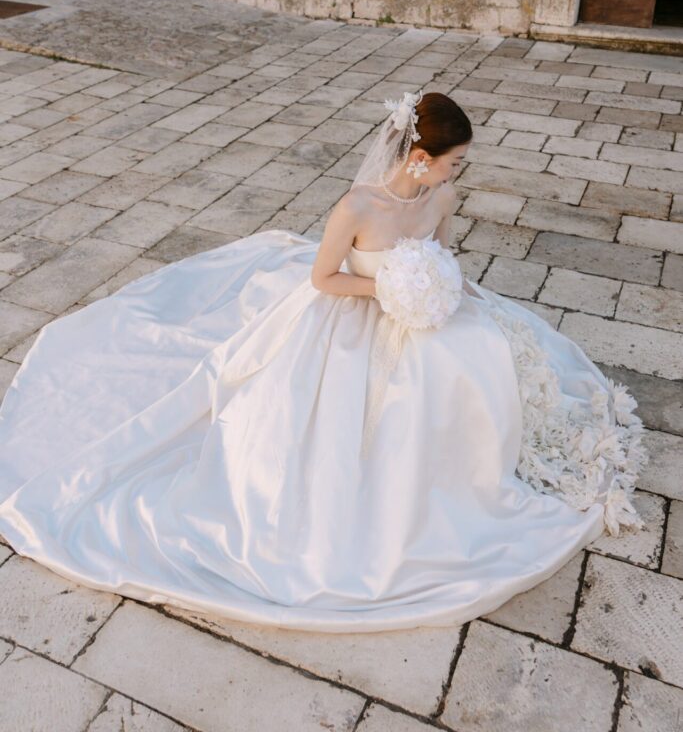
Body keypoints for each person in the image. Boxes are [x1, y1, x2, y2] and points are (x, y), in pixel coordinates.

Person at [0, 89, 648, 633]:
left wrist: (434, 288)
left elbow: (443, 255)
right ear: (420, 158)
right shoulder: (358, 207)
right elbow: (323, 279)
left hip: (421, 312)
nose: (460, 171)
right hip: (352, 312)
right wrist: (388, 289)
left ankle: (479, 467)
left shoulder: (442, 197)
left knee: (474, 360)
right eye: (455, 161)